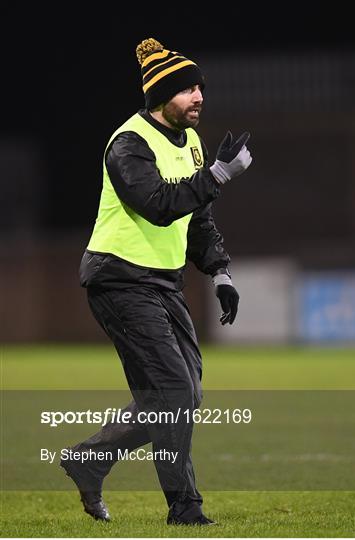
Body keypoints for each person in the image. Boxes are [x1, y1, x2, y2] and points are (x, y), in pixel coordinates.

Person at [60, 37, 252, 526]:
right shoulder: (128, 144)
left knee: (181, 396)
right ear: (159, 95)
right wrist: (221, 175)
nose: (198, 96)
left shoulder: (191, 142)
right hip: (119, 279)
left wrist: (220, 272)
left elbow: (197, 218)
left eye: (199, 87)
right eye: (186, 89)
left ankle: (89, 459)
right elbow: (159, 205)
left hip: (162, 283)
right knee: (174, 393)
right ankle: (184, 509)